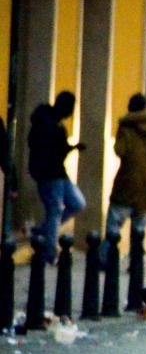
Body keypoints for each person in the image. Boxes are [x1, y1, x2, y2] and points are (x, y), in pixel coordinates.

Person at [27, 91, 86, 263]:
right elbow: (45, 149)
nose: (72, 112)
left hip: (59, 173)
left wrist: (71, 148)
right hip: (49, 173)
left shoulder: (56, 123)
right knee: (55, 211)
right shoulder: (46, 122)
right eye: (71, 107)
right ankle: (49, 252)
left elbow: (58, 149)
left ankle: (39, 231)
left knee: (77, 203)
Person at [104, 93, 146, 249]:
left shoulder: (126, 129)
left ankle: (106, 260)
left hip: (127, 183)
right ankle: (136, 265)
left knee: (114, 226)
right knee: (139, 232)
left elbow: (119, 150)